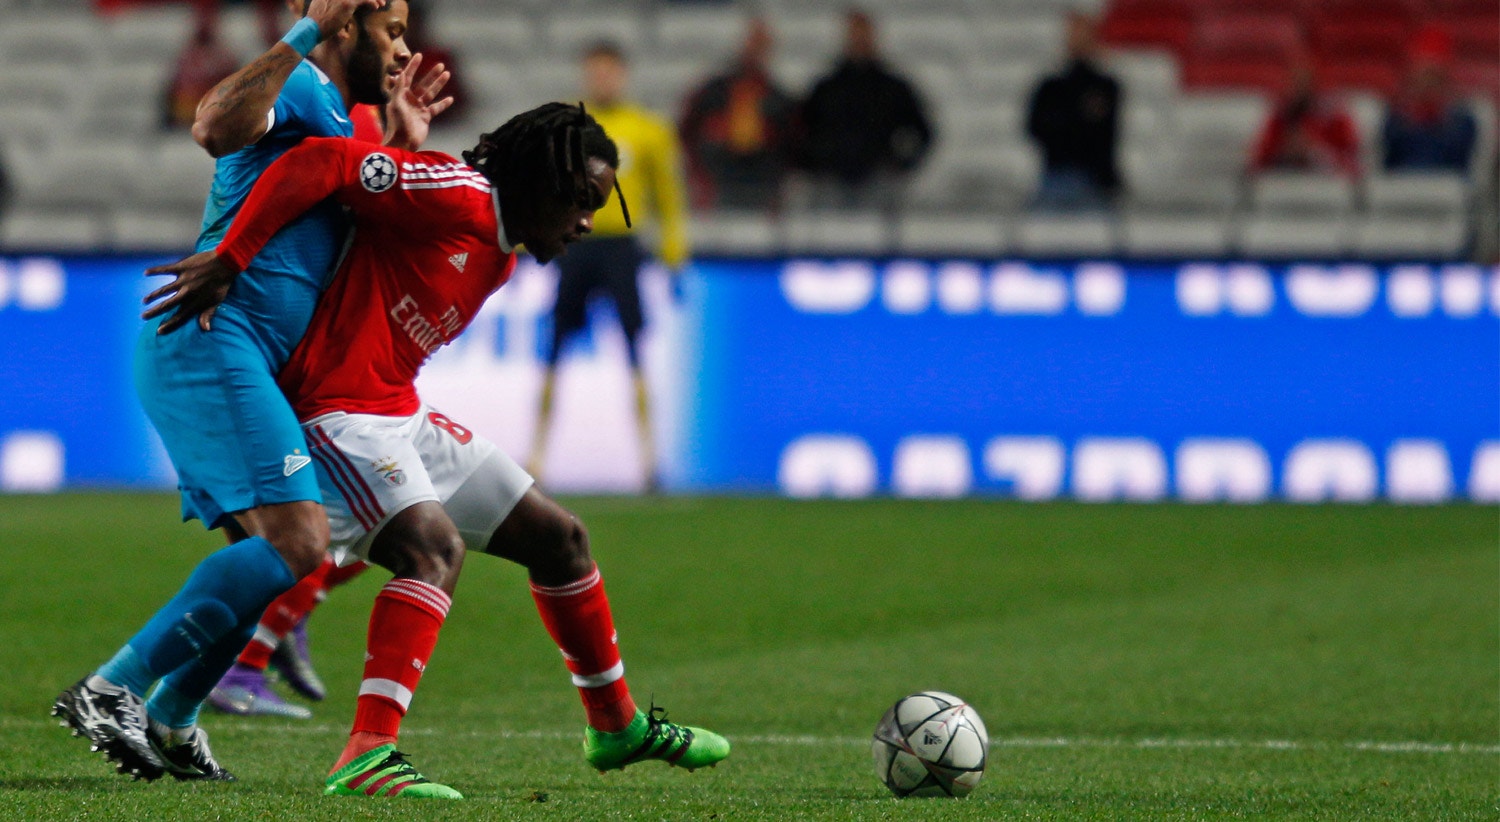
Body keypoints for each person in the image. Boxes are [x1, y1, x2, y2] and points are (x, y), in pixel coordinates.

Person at [143, 102, 731, 800]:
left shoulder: (503, 250)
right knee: (430, 549)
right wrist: (231, 256)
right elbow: (318, 164)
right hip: (334, 413)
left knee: (561, 538)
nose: (586, 223)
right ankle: (366, 753)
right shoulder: (457, 195)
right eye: (578, 202)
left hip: (396, 412)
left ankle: (617, 728)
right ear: (536, 180)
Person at [51, 0, 451, 783]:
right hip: (213, 338)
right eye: (391, 28)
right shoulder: (301, 80)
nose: (405, 46)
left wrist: (398, 147)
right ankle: (114, 688)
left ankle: (172, 715)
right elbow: (213, 126)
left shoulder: (340, 121)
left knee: (272, 552)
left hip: (241, 354)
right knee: (299, 541)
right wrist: (301, 31)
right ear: (344, 25)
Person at [528, 41, 690, 493]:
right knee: (555, 349)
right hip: (574, 245)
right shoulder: (565, 130)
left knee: (636, 351)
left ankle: (650, 459)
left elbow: (669, 198)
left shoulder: (647, 130)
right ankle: (536, 455)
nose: (602, 80)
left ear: (622, 75)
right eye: (595, 71)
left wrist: (675, 254)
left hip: (622, 248)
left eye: (609, 72)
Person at [796, 8, 933, 211]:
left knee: (878, 240)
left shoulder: (892, 87)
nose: (859, 40)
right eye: (854, 34)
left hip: (878, 180)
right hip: (832, 181)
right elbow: (801, 129)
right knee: (829, 240)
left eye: (864, 34)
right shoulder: (827, 87)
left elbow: (923, 131)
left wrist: (902, 164)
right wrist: (815, 165)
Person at [678, 16, 796, 211]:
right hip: (719, 178)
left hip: (762, 182)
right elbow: (687, 130)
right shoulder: (712, 91)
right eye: (752, 43)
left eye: (762, 46)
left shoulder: (777, 97)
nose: (755, 51)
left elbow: (790, 143)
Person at [1024, 11, 1123, 211]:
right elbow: (1035, 127)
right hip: (1056, 178)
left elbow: (1102, 134)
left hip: (1095, 182)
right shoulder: (1050, 87)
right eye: (1072, 33)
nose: (1076, 39)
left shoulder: (1105, 86)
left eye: (1082, 33)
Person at [1381, 26, 1477, 173]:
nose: (1427, 84)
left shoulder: (1463, 121)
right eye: (1421, 76)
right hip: (1401, 187)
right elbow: (1389, 161)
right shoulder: (1394, 119)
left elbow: (1461, 162)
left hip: (1446, 187)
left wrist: (1439, 119)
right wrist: (1411, 118)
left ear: (1444, 78)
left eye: (1432, 76)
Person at [1249, 64, 1360, 178]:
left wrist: (1314, 152)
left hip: (1327, 182)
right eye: (1294, 83)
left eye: (1303, 83)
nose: (1298, 88)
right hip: (1284, 179)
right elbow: (1260, 158)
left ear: (1314, 84)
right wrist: (1283, 151)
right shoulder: (1280, 117)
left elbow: (1351, 159)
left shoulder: (1334, 116)